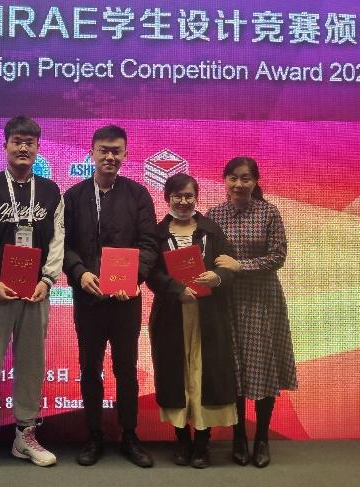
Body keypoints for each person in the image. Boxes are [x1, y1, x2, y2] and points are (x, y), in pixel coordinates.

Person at [0, 116, 65, 477]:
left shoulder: (51, 191)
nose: (23, 148)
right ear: (5, 145)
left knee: (32, 364)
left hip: (35, 293)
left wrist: (48, 280)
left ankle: (25, 434)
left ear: (38, 148)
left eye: (30, 142)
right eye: (17, 141)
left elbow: (57, 239)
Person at [62, 125, 157, 468]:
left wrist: (136, 278)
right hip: (88, 299)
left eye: (116, 151)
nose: (110, 156)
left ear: (126, 154)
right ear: (91, 152)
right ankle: (94, 436)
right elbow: (63, 245)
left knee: (126, 370)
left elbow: (149, 244)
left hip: (125, 300)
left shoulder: (138, 195)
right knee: (90, 369)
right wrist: (79, 272)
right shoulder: (73, 196)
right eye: (103, 150)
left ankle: (129, 435)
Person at [206, 157, 297, 468]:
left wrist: (240, 266)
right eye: (233, 178)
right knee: (233, 369)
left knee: (262, 368)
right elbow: (207, 256)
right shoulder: (214, 214)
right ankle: (238, 437)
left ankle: (261, 439)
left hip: (261, 301)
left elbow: (278, 256)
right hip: (226, 301)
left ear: (255, 181)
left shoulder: (269, 212)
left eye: (245, 178)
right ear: (225, 180)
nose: (239, 184)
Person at [146, 173, 238, 469]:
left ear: (196, 197)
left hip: (208, 315)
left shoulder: (211, 229)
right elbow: (150, 272)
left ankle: (202, 442)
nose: (183, 201)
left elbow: (228, 265)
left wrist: (217, 277)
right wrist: (176, 290)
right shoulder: (157, 234)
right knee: (177, 375)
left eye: (189, 196)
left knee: (203, 374)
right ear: (167, 198)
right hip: (172, 316)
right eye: (177, 196)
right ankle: (182, 440)